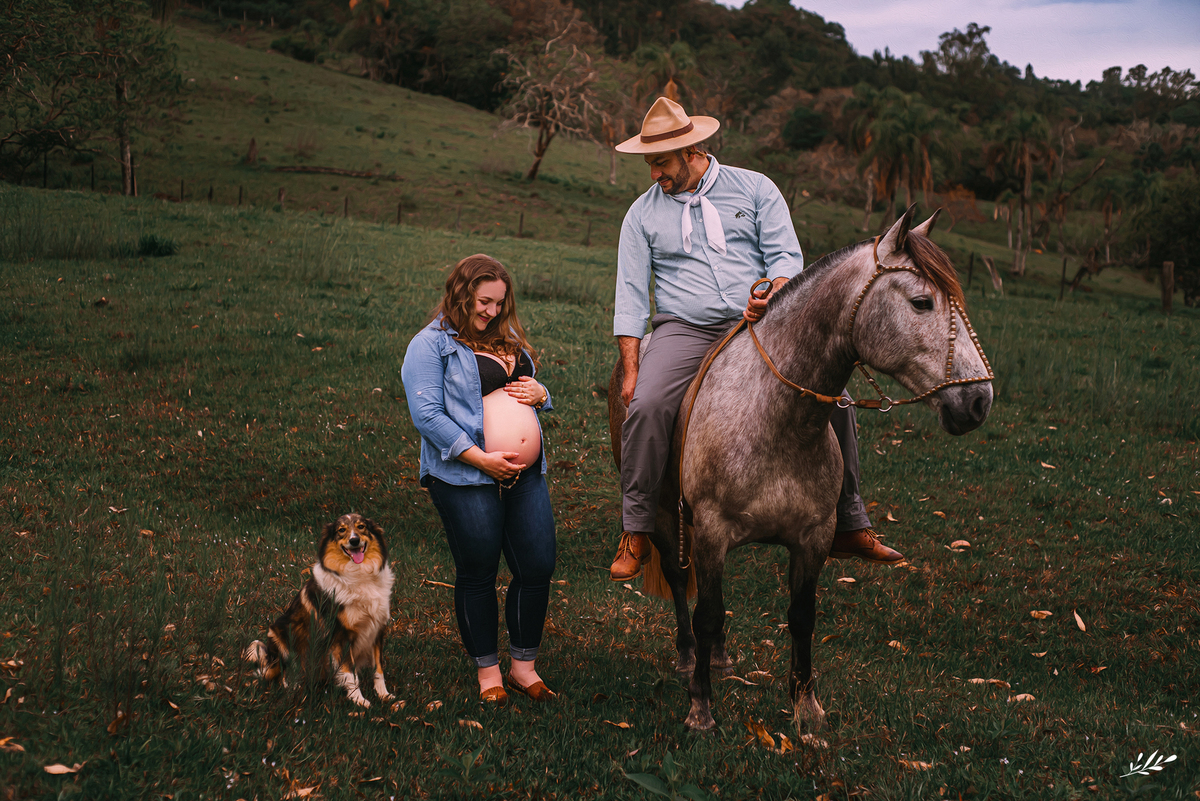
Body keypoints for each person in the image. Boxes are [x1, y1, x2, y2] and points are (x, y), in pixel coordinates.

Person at [608, 97, 903, 582]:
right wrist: (633, 366)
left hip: (757, 324)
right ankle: (637, 528)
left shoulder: (754, 188)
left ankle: (849, 522)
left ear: (691, 149)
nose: (655, 173)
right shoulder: (641, 215)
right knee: (645, 406)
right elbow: (630, 296)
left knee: (838, 400)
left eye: (661, 162)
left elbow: (786, 257)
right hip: (685, 327)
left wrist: (773, 295)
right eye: (650, 163)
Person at [402, 254, 557, 705]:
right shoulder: (429, 345)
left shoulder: (506, 340)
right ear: (461, 293)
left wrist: (543, 393)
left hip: (524, 474)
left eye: (498, 304)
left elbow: (529, 393)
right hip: (464, 475)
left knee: (537, 565)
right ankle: (488, 671)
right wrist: (482, 459)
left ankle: (523, 668)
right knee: (479, 570)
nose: (491, 312)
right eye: (483, 302)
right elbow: (427, 415)